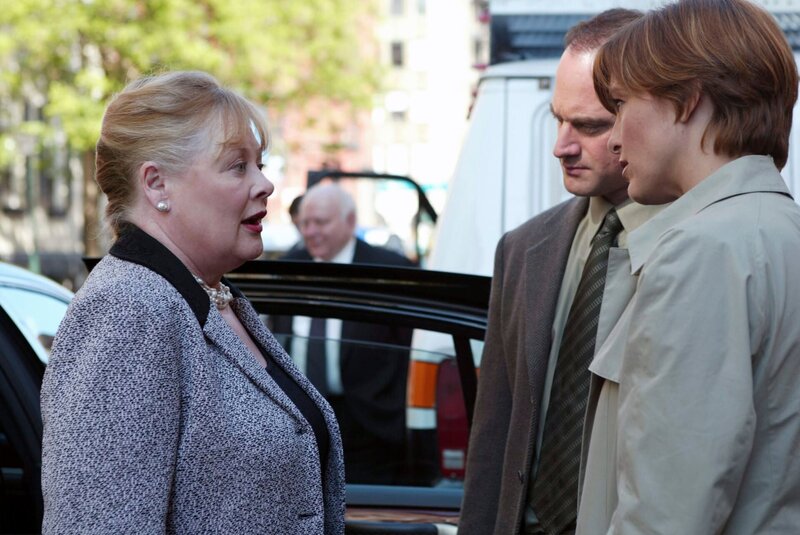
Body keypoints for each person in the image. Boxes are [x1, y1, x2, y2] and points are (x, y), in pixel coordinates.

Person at [40, 71, 345, 534]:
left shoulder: (214, 296)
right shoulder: (128, 308)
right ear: (157, 184)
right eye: (237, 166)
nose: (265, 184)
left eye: (259, 163)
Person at [578, 0, 800, 532]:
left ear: (688, 101)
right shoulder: (776, 230)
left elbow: (665, 515)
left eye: (624, 103)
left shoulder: (703, 249)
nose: (612, 138)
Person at [458, 9, 661, 535]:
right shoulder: (525, 249)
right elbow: (493, 436)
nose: (561, 146)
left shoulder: (699, 248)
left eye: (589, 125)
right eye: (557, 119)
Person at [270, 182, 415, 484]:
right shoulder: (287, 269)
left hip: (369, 424)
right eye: (305, 223)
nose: (310, 231)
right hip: (301, 420)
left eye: (320, 222)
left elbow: (410, 349)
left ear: (350, 221)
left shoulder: (387, 270)